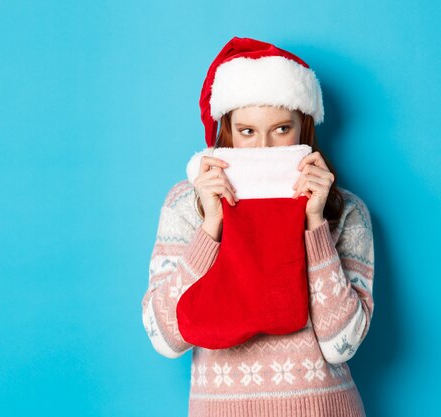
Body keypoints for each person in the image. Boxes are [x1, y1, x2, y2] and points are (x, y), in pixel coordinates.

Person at [141, 36, 375, 417]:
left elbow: (340, 345)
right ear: (227, 132)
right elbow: (165, 338)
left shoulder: (346, 210)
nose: (265, 147)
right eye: (248, 131)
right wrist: (211, 229)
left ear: (304, 128)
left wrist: (315, 226)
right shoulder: (187, 204)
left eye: (282, 129)